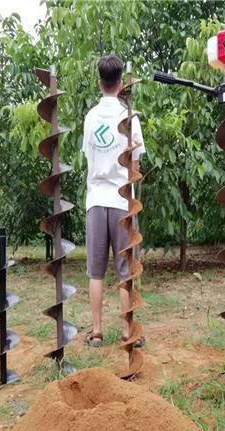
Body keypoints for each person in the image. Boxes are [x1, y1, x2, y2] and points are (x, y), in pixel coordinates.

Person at [81, 54, 145, 348]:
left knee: (95, 272)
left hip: (96, 200)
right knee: (124, 272)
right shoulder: (129, 116)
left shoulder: (91, 117)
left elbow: (89, 157)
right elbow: (135, 164)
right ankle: (127, 331)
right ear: (121, 84)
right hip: (122, 202)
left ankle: (96, 333)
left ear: (100, 83)